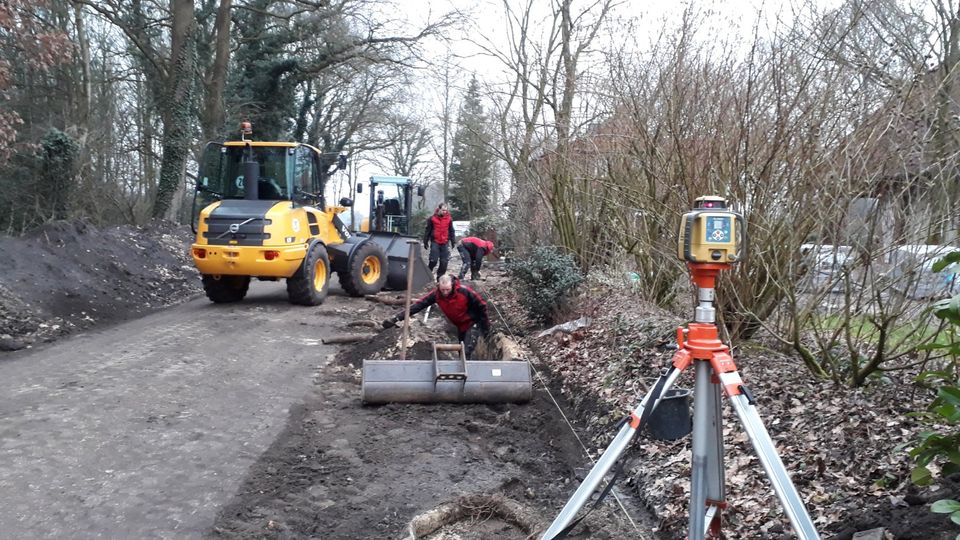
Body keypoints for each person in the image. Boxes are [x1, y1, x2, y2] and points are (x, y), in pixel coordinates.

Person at [382, 274, 491, 359]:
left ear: (452, 285)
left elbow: (482, 305)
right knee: (461, 350)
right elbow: (419, 305)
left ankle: (469, 378)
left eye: (447, 290)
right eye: (442, 290)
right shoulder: (437, 294)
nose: (445, 292)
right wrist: (397, 318)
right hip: (459, 325)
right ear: (439, 286)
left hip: (472, 322)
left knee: (467, 350)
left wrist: (486, 327)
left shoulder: (464, 292)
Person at [423, 202, 455, 280]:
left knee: (444, 262)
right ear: (439, 209)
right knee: (433, 260)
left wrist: (453, 241)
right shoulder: (432, 219)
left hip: (445, 242)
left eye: (446, 210)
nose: (445, 212)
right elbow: (428, 230)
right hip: (435, 242)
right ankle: (427, 273)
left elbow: (451, 230)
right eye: (443, 210)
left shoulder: (449, 219)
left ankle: (439, 278)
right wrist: (425, 241)